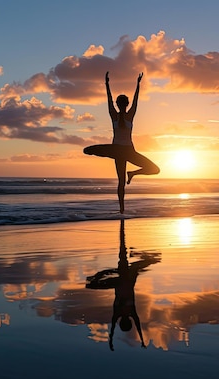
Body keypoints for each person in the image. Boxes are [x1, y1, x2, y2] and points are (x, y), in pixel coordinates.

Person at [83, 71, 160, 213]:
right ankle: (122, 210)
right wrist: (137, 84)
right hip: (119, 150)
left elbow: (112, 100)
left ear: (120, 104)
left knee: (145, 173)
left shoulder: (122, 115)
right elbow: (120, 100)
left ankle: (132, 176)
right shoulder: (120, 115)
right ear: (124, 104)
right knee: (149, 172)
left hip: (122, 151)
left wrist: (108, 84)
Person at [85, 219, 161, 350]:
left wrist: (112, 340)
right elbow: (134, 326)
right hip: (126, 280)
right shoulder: (128, 313)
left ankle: (128, 252)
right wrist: (140, 340)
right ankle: (133, 253)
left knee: (93, 283)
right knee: (131, 258)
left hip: (121, 281)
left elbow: (118, 326)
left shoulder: (121, 313)